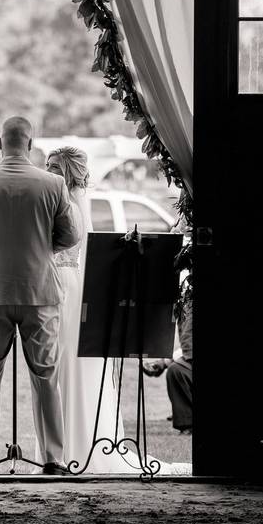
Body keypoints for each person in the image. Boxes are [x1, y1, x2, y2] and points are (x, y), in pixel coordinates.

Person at [0, 116, 79, 476]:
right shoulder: (53, 184)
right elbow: (70, 237)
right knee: (45, 376)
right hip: (39, 291)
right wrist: (40, 249)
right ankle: (53, 459)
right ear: (30, 143)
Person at [42, 146, 165, 473]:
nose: (48, 170)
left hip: (67, 285)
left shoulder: (71, 200)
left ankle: (79, 447)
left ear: (69, 172)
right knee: (59, 367)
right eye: (46, 165)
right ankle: (65, 445)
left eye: (55, 166)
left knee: (73, 363)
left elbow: (70, 245)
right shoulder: (56, 198)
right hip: (58, 283)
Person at [144, 296, 193, 434]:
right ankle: (187, 423)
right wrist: (164, 362)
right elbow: (189, 349)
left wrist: (164, 362)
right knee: (176, 370)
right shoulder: (186, 306)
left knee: (177, 369)